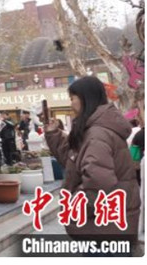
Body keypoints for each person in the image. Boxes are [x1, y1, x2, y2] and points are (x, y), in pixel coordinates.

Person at [44, 76, 140, 246]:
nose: (71, 104)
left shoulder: (96, 135)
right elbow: (74, 162)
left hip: (103, 232)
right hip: (109, 228)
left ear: (85, 98)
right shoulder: (95, 130)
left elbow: (99, 185)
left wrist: (74, 205)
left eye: (72, 98)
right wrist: (53, 134)